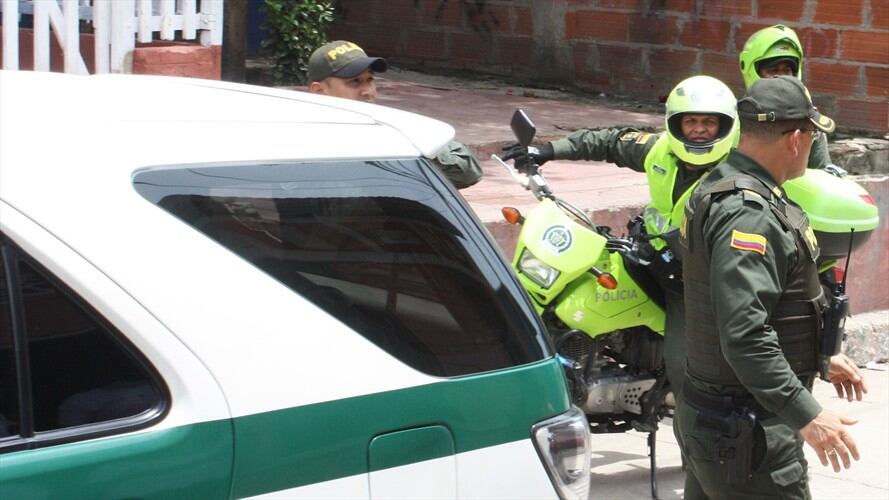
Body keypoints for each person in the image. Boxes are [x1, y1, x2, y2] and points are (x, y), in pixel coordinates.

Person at [676, 76, 867, 499]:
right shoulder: (750, 216)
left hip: (719, 421)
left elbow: (760, 305)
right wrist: (809, 416)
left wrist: (820, 351)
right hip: (747, 432)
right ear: (797, 138)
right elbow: (745, 335)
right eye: (814, 134)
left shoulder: (720, 184)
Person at [503, 75, 739, 399]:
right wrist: (546, 150)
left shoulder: (738, 177)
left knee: (686, 368)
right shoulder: (660, 151)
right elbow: (611, 141)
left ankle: (691, 422)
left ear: (725, 126)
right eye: (690, 122)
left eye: (709, 123)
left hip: (693, 281)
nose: (699, 129)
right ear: (675, 123)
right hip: (645, 255)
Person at [306, 40, 483, 189]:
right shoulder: (301, 136)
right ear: (319, 91)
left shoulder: (391, 129)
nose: (368, 91)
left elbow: (468, 172)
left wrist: (413, 145)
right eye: (354, 82)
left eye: (370, 80)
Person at [740, 24, 832, 169]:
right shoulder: (735, 118)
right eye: (772, 70)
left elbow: (823, 175)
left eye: (786, 71)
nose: (780, 77)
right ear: (752, 69)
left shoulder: (808, 121)